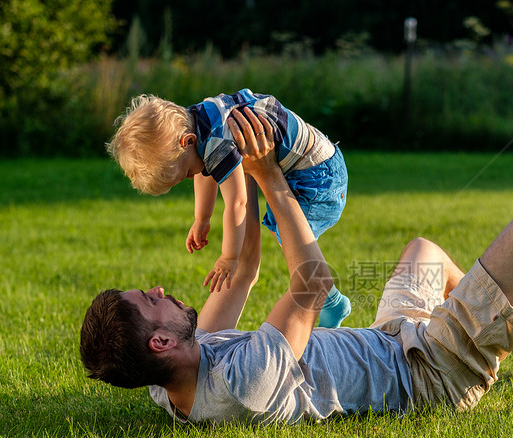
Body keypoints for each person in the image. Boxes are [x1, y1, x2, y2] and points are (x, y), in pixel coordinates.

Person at [81, 108, 513, 425]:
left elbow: (249, 269)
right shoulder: (244, 381)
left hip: (391, 341)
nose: (163, 287)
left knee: (423, 252)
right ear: (161, 340)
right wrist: (273, 181)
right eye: (153, 298)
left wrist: (247, 175)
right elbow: (310, 285)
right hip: (426, 373)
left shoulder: (170, 380)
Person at [106, 89, 351, 328]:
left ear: (187, 142)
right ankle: (330, 300)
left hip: (319, 178)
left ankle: (331, 302)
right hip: (317, 164)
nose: (192, 177)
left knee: (289, 235)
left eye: (186, 173)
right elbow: (207, 169)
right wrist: (201, 218)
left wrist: (229, 257)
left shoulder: (217, 142)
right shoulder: (199, 122)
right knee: (285, 230)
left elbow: (237, 203)